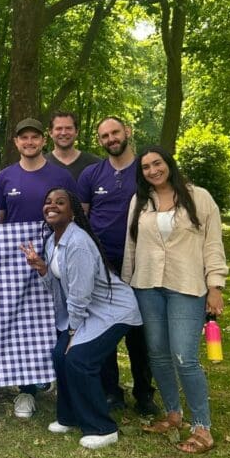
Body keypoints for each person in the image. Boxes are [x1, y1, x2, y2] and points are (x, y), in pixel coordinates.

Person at [122, 146, 228, 455]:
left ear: (169, 164)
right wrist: (128, 284)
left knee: (184, 357)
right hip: (147, 285)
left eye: (157, 163)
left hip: (186, 285)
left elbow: (212, 242)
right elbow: (131, 245)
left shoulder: (200, 197)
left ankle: (202, 427)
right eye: (146, 167)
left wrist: (215, 285)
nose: (153, 170)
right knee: (157, 354)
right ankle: (172, 414)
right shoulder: (140, 201)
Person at [20, 188, 142, 449]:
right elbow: (59, 286)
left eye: (60, 203)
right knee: (59, 356)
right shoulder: (53, 240)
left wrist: (73, 332)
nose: (52, 206)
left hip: (112, 312)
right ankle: (69, 416)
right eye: (48, 202)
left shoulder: (78, 243)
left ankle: (103, 428)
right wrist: (42, 268)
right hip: (87, 312)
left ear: (73, 211)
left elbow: (79, 294)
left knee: (78, 359)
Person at [0, 118, 77, 418]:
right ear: (16, 143)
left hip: (56, 252)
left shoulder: (61, 175)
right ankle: (26, 390)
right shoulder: (4, 178)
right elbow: (0, 222)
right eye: (23, 138)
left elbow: (75, 215)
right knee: (23, 322)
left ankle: (60, 379)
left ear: (44, 141)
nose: (29, 142)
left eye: (34, 137)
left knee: (61, 314)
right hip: (16, 263)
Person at [77, 117, 157, 416]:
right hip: (103, 262)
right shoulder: (91, 174)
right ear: (99, 141)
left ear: (127, 132)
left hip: (143, 261)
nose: (111, 139)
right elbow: (82, 218)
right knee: (106, 328)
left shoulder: (146, 169)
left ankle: (144, 392)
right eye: (104, 135)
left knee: (141, 331)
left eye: (115, 132)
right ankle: (111, 391)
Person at [46, 111, 100, 180]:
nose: (63, 133)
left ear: (76, 131)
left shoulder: (95, 164)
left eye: (68, 128)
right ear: (50, 133)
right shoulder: (40, 164)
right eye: (59, 128)